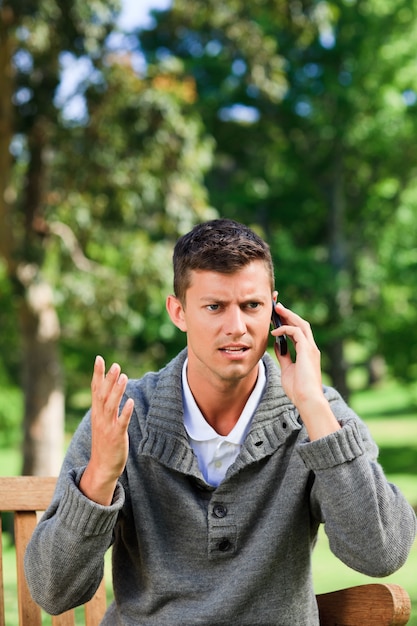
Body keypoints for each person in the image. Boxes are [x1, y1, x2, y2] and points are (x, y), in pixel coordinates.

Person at [25, 218, 416, 625]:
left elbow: (382, 552)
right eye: (214, 307)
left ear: (274, 308)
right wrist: (100, 478)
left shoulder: (316, 414)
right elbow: (54, 592)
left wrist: (313, 405)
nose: (237, 327)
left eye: (251, 306)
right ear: (178, 311)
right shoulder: (123, 418)